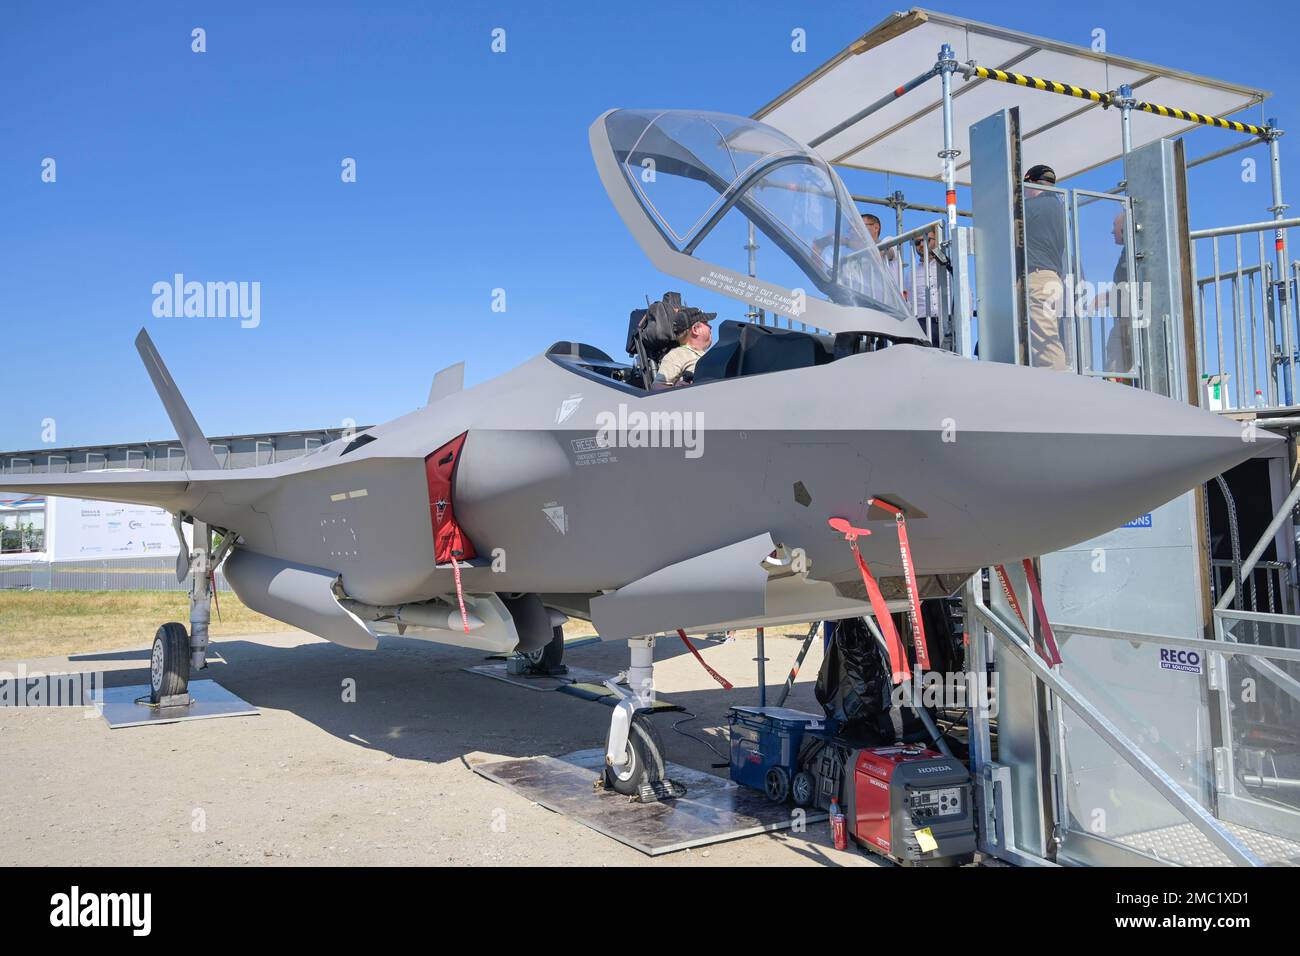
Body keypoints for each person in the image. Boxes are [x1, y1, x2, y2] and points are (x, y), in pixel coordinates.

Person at [1022, 164, 1070, 370]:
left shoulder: (1030, 208)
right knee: (1047, 337)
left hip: (1037, 279)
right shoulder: (1059, 209)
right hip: (1052, 279)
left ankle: (1060, 391)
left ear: (1031, 183)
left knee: (1046, 347)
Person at [652, 307, 713, 389]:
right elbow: (656, 387)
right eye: (706, 323)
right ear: (695, 329)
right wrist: (675, 388)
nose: (711, 327)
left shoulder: (709, 356)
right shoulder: (678, 354)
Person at [909, 225, 949, 347]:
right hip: (922, 325)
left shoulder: (948, 267)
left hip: (947, 323)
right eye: (917, 242)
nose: (921, 244)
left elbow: (965, 295)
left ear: (937, 241)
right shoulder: (910, 274)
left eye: (926, 240)